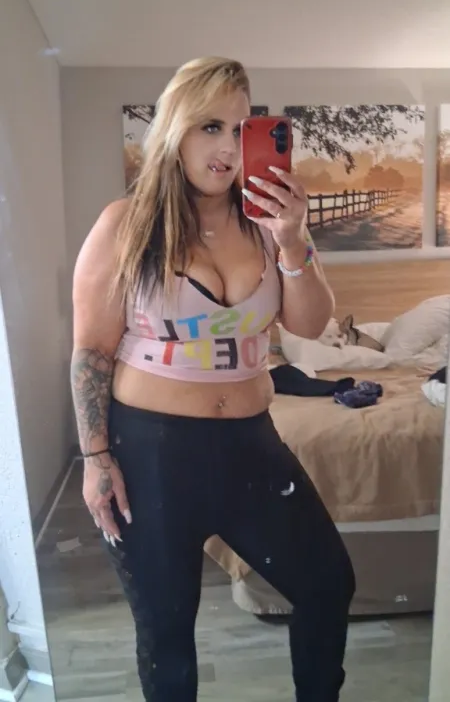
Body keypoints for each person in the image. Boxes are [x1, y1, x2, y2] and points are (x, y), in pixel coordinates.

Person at [70, 56, 355, 702]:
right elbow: (91, 352)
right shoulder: (125, 225)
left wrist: (294, 240)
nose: (227, 147)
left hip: (251, 444)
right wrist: (95, 459)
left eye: (239, 128)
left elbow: (310, 324)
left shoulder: (266, 223)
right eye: (209, 127)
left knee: (327, 583)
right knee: (168, 634)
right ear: (175, 128)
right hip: (153, 455)